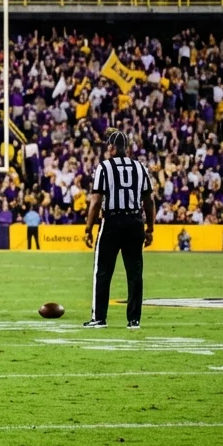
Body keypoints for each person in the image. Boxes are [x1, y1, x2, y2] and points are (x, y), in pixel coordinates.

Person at [84, 129, 153, 330]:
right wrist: (150, 228)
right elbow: (149, 201)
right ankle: (134, 320)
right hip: (134, 222)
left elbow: (96, 201)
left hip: (112, 222)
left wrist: (88, 228)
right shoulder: (140, 168)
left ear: (113, 148)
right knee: (134, 272)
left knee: (103, 271)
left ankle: (99, 318)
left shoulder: (104, 167)